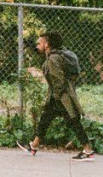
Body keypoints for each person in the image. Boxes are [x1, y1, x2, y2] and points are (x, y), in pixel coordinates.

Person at [18, 32, 95, 161]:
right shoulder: (56, 55)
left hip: (62, 97)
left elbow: (58, 81)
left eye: (39, 43)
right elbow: (39, 53)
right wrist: (29, 43)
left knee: (74, 122)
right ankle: (34, 146)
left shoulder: (53, 59)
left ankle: (88, 151)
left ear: (47, 44)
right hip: (58, 96)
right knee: (45, 119)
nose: (38, 45)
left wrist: (57, 97)